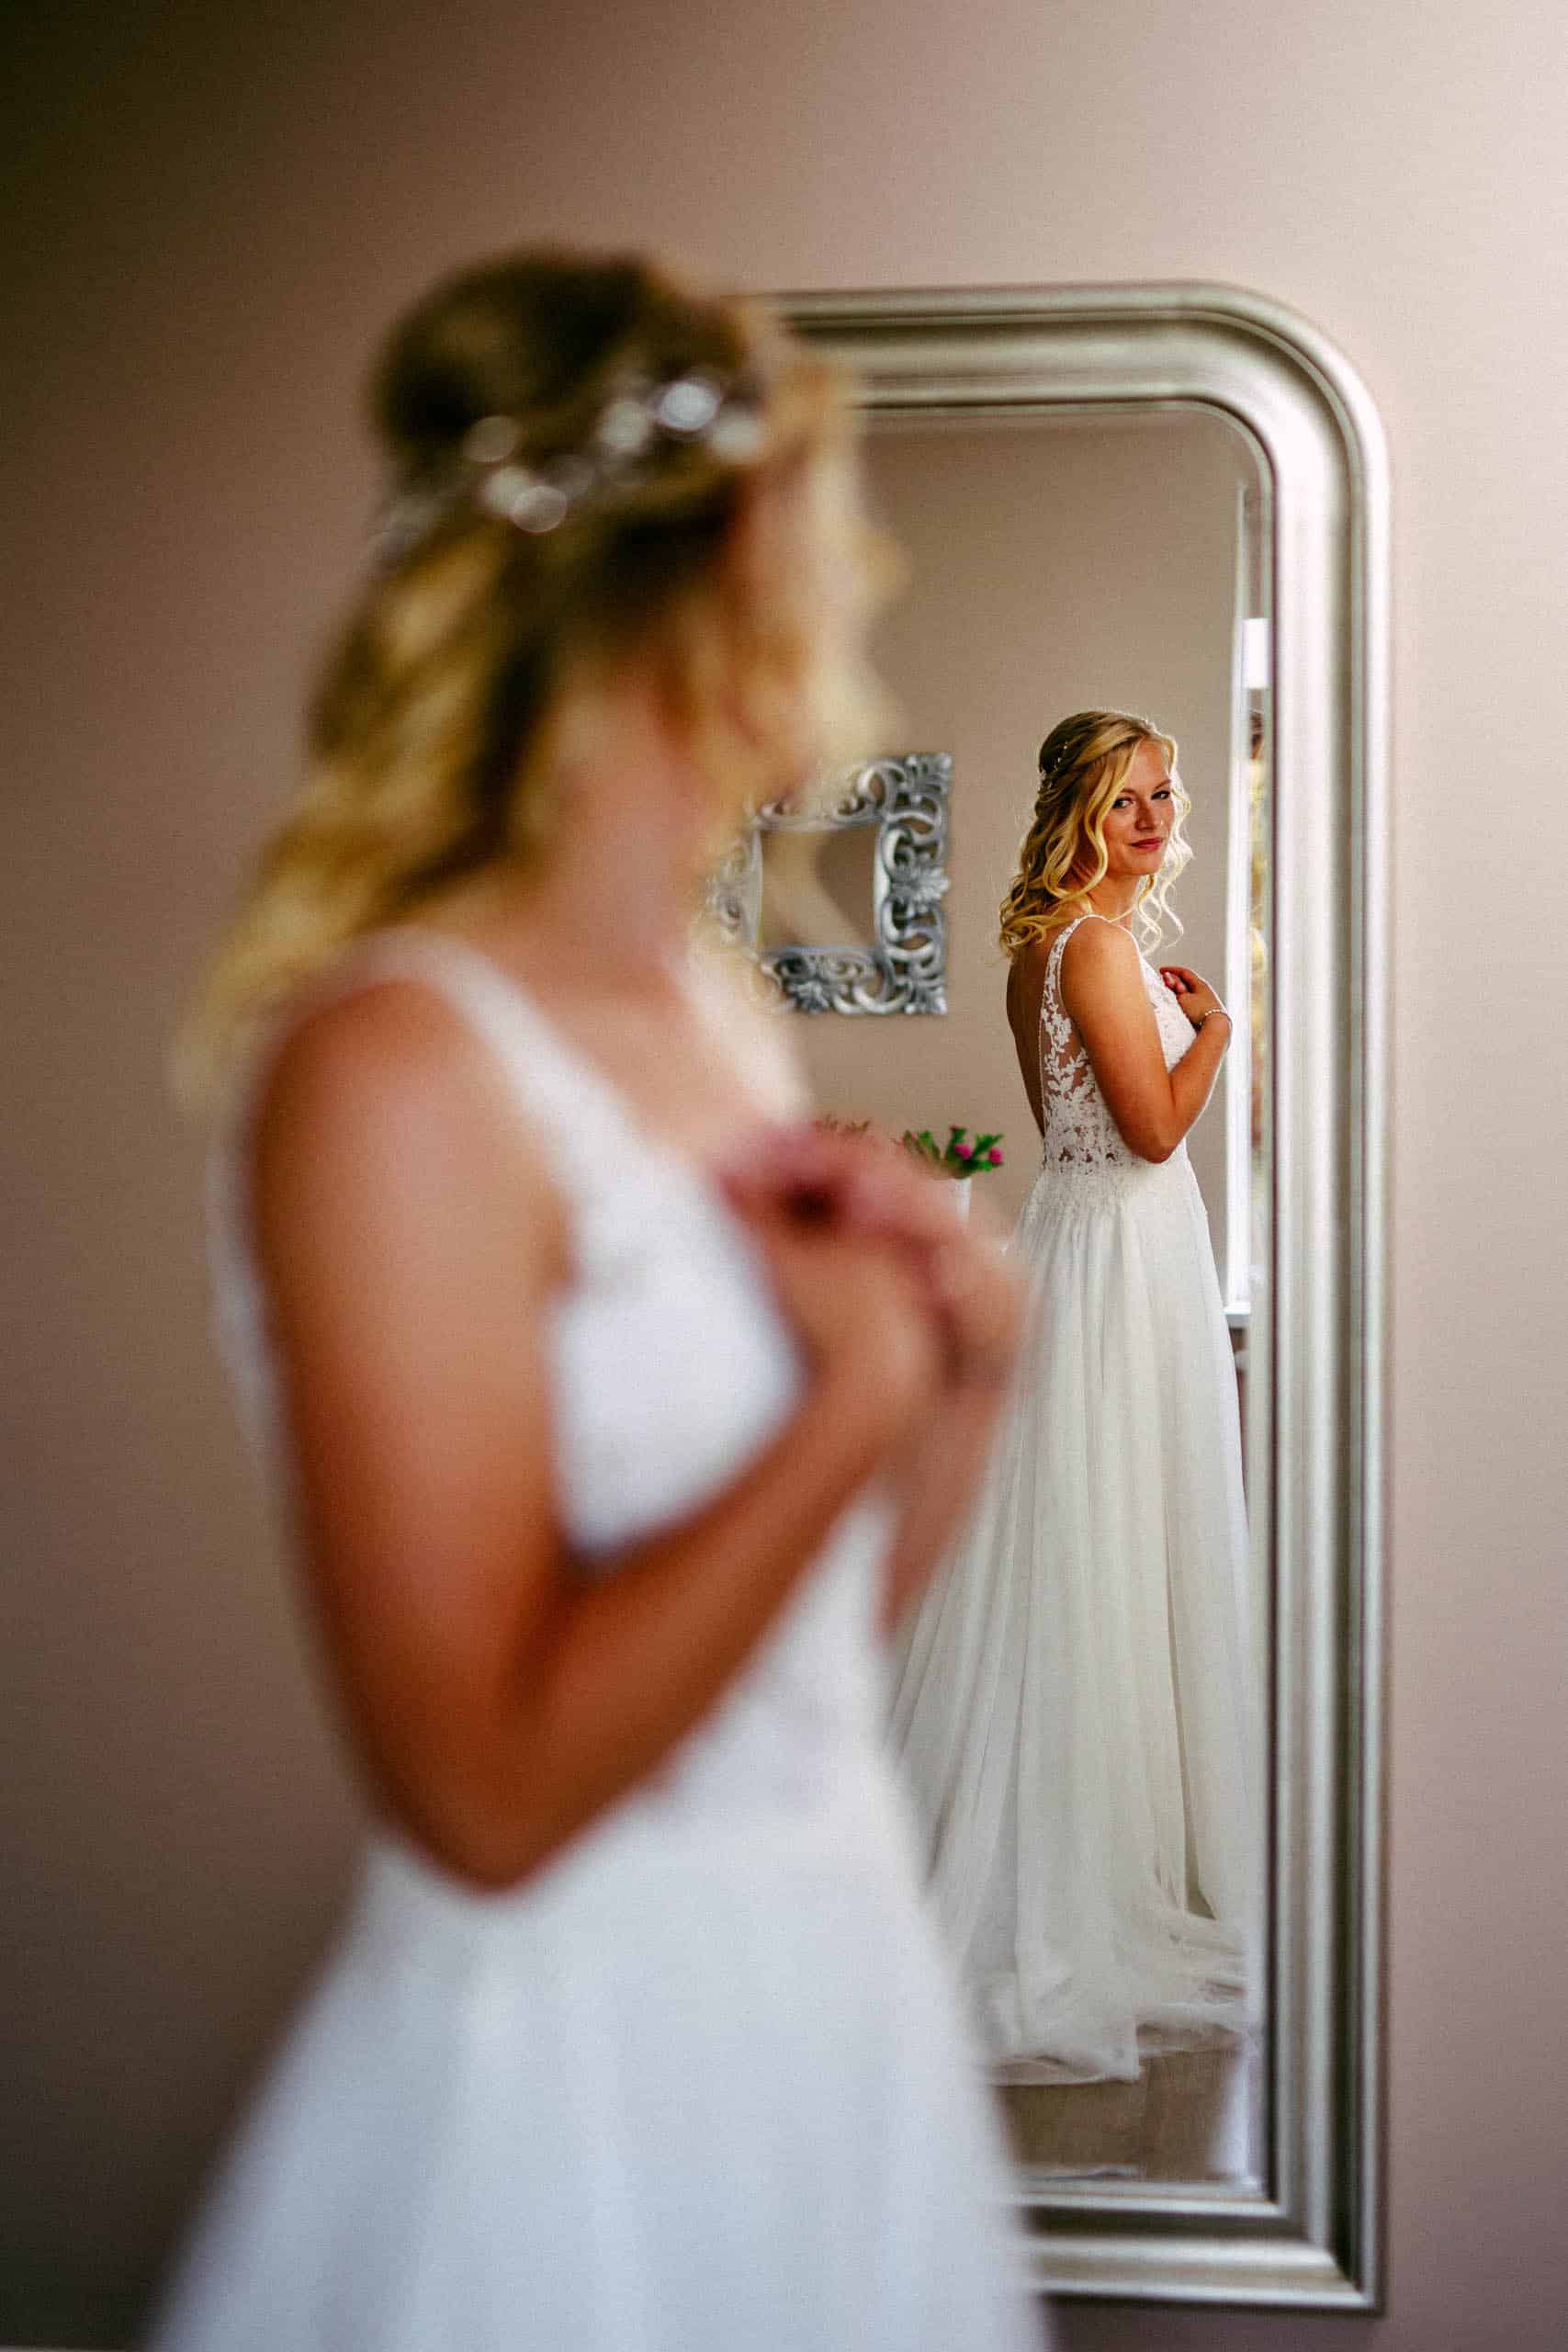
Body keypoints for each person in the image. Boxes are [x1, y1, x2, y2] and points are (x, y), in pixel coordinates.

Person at [147, 251, 1047, 2350]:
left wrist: (953, 1385)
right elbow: (482, 1795)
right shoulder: (393, 1063)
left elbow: (786, 1659)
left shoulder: (710, 1017)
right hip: (574, 2086)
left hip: (830, 2004)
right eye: (819, 527)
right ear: (713, 571)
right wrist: (845, 1398)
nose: (848, 589)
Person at [890, 709, 1256, 2087]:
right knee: (1103, 1540)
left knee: (1087, 1542)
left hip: (1093, 1240)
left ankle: (1120, 1836)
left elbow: (1077, 1137)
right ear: (1078, 815)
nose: (1155, 822)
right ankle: (1100, 1871)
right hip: (1119, 1254)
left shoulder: (1045, 949)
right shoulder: (1094, 947)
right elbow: (1153, 1131)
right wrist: (1216, 1027)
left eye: (1164, 796)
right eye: (1127, 802)